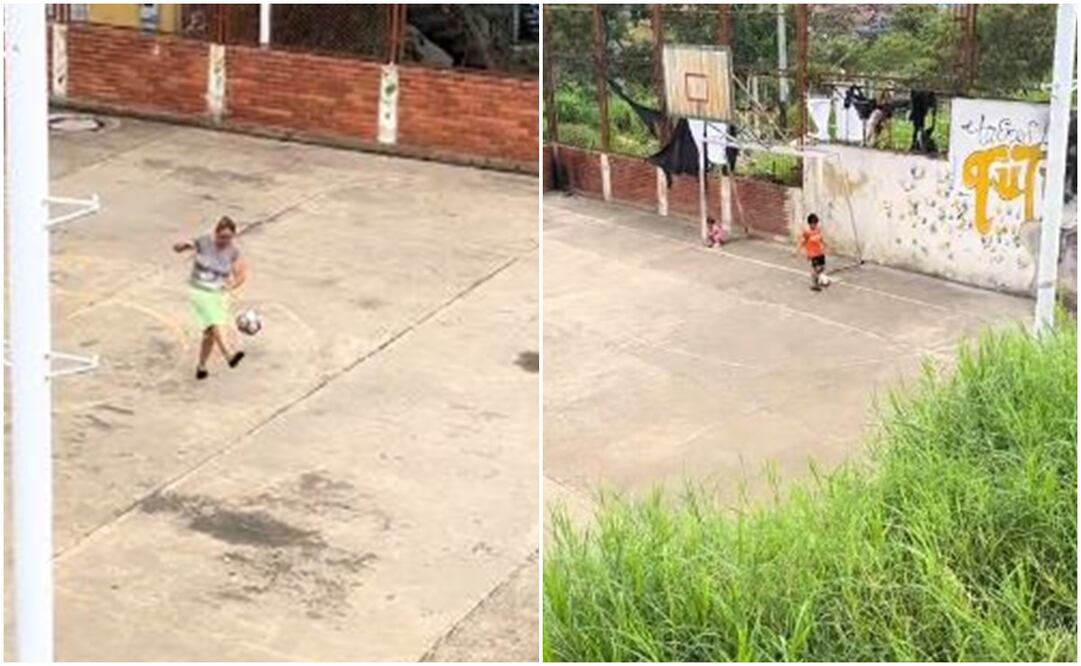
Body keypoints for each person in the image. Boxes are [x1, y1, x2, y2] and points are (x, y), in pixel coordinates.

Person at [174, 216, 248, 379]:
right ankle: (228, 355)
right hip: (199, 291)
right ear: (216, 233)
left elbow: (241, 274)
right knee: (215, 321)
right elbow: (184, 246)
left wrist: (230, 286)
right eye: (222, 237)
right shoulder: (204, 241)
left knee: (210, 333)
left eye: (228, 237)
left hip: (218, 294)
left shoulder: (233, 252)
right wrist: (182, 246)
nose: (224, 240)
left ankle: (201, 366)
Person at [799, 213, 827, 291]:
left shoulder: (818, 230)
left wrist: (826, 245)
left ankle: (818, 280)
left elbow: (821, 239)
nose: (814, 225)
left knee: (822, 268)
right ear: (809, 224)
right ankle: (815, 284)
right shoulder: (807, 232)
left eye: (816, 223)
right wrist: (799, 251)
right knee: (816, 269)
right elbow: (803, 242)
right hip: (813, 254)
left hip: (820, 252)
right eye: (813, 224)